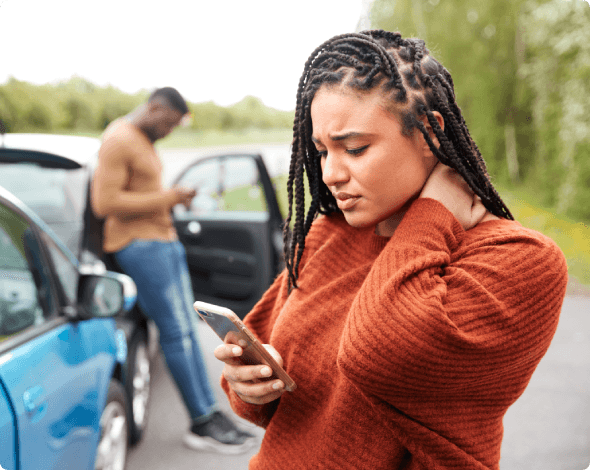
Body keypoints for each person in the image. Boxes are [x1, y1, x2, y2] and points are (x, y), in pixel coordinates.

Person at [213, 31, 568, 469]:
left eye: (355, 148)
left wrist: (432, 213)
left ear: (428, 133)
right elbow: (272, 387)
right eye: (322, 151)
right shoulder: (329, 234)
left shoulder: (521, 260)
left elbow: (378, 355)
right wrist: (248, 385)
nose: (329, 174)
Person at [91, 87, 255, 454]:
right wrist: (170, 197)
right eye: (166, 123)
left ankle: (211, 413)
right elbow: (105, 202)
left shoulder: (141, 138)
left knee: (188, 331)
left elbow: (138, 191)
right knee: (177, 333)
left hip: (162, 242)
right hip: (140, 246)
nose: (168, 131)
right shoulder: (119, 139)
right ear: (153, 108)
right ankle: (201, 422)